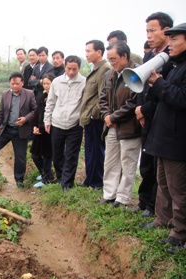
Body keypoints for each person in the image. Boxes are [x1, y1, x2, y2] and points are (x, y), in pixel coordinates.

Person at [138, 22, 186, 254]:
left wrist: (159, 83)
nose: (171, 44)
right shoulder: (175, 66)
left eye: (175, 39)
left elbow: (181, 98)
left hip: (178, 140)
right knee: (163, 182)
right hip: (164, 136)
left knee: (178, 188)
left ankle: (180, 233)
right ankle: (162, 220)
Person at [134, 12, 173, 218]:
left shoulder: (171, 58)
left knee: (158, 166)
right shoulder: (150, 56)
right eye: (147, 31)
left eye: (152, 30)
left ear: (166, 31)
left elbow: (163, 90)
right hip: (145, 116)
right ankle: (144, 201)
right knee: (146, 162)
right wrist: (140, 109)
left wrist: (145, 109)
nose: (148, 35)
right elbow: (140, 86)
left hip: (159, 116)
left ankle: (153, 205)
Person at [98, 41, 141, 208]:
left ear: (124, 56)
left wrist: (114, 117)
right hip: (111, 126)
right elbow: (102, 98)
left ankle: (122, 198)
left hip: (129, 127)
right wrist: (107, 116)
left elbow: (134, 101)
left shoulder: (135, 74)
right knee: (110, 161)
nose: (112, 62)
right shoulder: (110, 74)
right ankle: (109, 194)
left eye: (114, 58)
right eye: (109, 59)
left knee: (128, 162)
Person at [44, 55, 86, 192]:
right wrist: (47, 120)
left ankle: (67, 184)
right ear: (65, 67)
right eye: (69, 69)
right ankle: (61, 177)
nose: (72, 72)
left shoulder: (84, 82)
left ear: (79, 68)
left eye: (75, 69)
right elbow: (50, 102)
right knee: (57, 155)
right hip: (57, 123)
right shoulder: (57, 82)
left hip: (75, 124)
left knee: (71, 154)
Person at [0, 72, 36, 188]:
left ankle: (19, 180)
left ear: (22, 83)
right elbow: (0, 112)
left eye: (17, 84)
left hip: (21, 131)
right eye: (12, 84)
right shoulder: (5, 94)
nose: (14, 86)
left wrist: (25, 119)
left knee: (20, 157)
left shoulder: (29, 94)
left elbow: (35, 111)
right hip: (6, 129)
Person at [79, 40, 110, 190]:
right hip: (89, 118)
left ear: (99, 52)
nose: (86, 54)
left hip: (95, 119)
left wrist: (93, 114)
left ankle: (97, 181)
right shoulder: (95, 68)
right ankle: (89, 179)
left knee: (97, 150)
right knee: (90, 149)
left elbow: (103, 96)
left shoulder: (104, 69)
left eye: (89, 51)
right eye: (85, 51)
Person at [30, 73, 55, 188]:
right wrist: (35, 126)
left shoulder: (54, 97)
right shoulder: (42, 95)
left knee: (47, 156)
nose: (46, 86)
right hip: (39, 130)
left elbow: (50, 115)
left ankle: (47, 178)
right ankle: (44, 173)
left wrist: (41, 128)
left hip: (48, 131)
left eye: (48, 84)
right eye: (44, 83)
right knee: (35, 154)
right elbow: (37, 112)